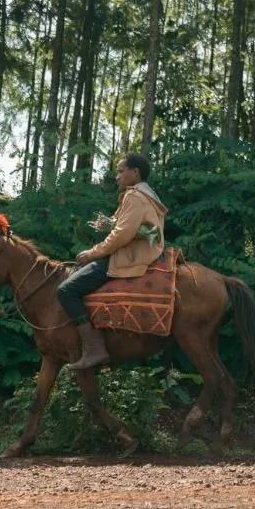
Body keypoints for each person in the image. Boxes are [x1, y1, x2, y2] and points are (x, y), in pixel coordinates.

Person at [56, 152, 169, 369]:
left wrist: (92, 253)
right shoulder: (149, 196)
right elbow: (134, 229)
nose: (117, 176)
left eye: (120, 171)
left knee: (66, 290)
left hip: (130, 257)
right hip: (145, 253)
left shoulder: (135, 196)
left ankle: (95, 348)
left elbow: (121, 235)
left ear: (135, 172)